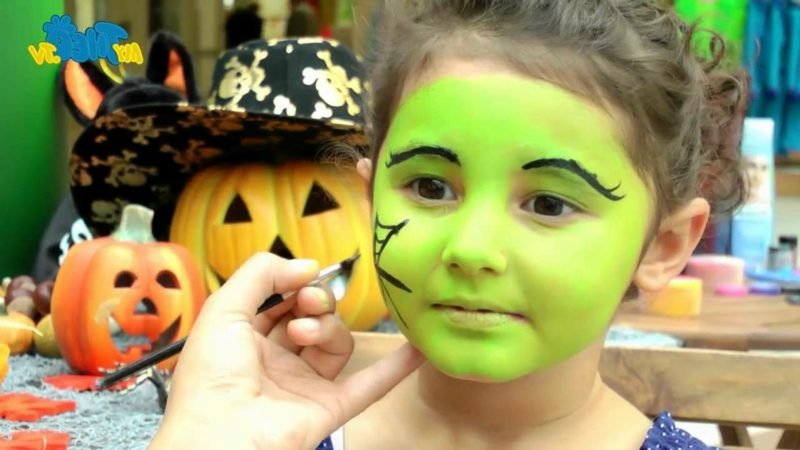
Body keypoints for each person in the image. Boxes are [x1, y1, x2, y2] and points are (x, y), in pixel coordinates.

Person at [149, 0, 747, 448]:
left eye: (548, 204)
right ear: (370, 200)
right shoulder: (280, 439)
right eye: (430, 188)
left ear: (664, 245)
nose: (471, 248)